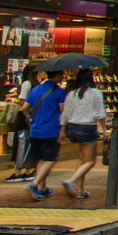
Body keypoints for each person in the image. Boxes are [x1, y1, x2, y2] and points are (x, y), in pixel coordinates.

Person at [58, 69, 106, 199]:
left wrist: (62, 131)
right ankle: (71, 181)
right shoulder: (95, 93)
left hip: (72, 128)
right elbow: (100, 113)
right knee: (90, 161)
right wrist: (105, 129)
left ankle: (80, 189)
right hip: (87, 128)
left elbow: (65, 114)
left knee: (82, 159)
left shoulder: (71, 94)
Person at [21, 69, 66, 201]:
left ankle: (43, 187)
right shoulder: (60, 92)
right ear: (57, 76)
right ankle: (34, 184)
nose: (63, 77)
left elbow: (24, 108)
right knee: (50, 159)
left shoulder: (35, 90)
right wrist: (63, 130)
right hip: (50, 130)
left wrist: (30, 120)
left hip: (35, 129)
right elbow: (63, 112)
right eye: (61, 75)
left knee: (40, 159)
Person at [4, 66, 42, 182]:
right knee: (28, 143)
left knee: (19, 143)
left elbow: (23, 102)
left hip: (23, 116)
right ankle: (29, 170)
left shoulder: (26, 83)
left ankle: (18, 172)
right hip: (33, 116)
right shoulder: (38, 85)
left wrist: (11, 100)